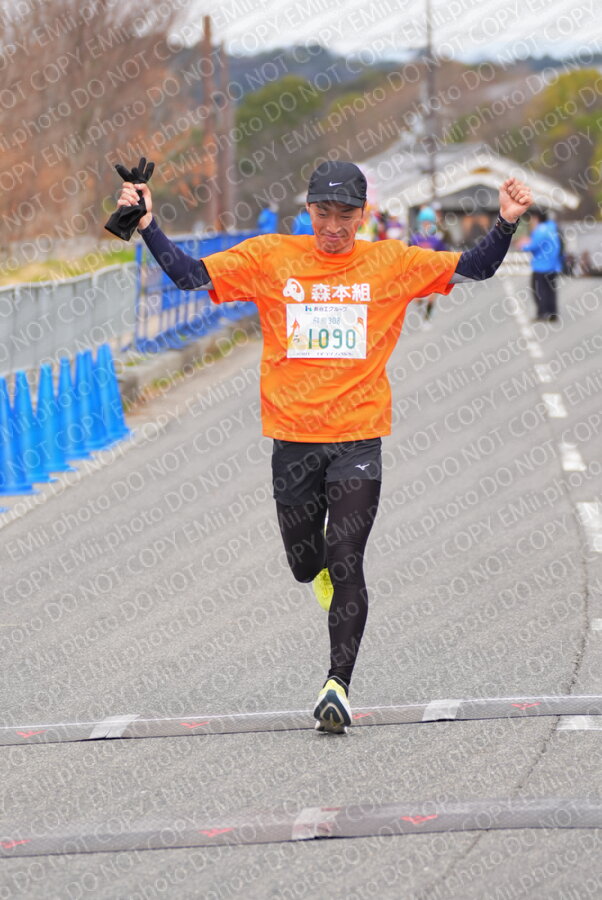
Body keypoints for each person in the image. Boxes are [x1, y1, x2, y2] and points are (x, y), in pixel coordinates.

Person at [117, 160, 532, 734]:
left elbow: (474, 267)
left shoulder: (391, 262)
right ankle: (316, 575)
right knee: (304, 562)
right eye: (323, 213)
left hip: (358, 437)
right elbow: (190, 276)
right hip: (293, 441)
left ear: (363, 215)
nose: (334, 226)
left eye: (345, 215)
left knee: (347, 556)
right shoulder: (270, 258)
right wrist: (147, 224)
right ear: (308, 210)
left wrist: (506, 221)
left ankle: (337, 684)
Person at [519, 207, 562, 322]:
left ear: (537, 218)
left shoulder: (541, 230)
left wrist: (522, 245)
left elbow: (533, 245)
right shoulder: (552, 227)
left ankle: (543, 313)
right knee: (550, 290)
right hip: (553, 265)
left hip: (541, 265)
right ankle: (552, 313)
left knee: (539, 290)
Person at [409, 206, 448, 325]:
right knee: (416, 297)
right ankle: (422, 311)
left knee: (432, 295)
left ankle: (427, 316)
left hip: (432, 271)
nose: (426, 225)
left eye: (428, 222)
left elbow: (443, 254)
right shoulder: (415, 239)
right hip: (419, 271)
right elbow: (409, 254)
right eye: (424, 222)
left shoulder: (437, 239)